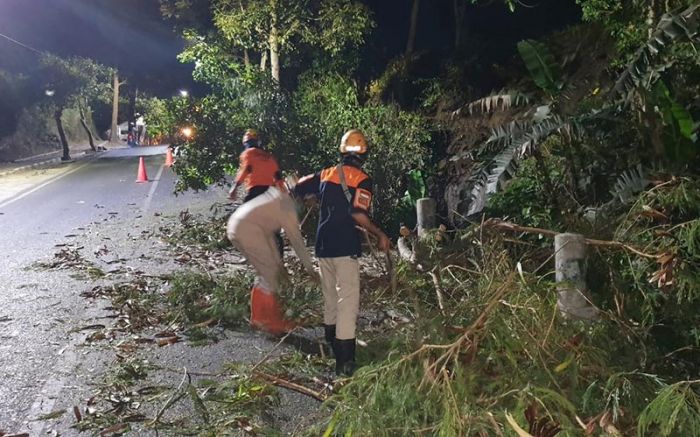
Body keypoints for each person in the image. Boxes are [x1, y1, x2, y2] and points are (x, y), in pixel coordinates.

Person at [293, 129, 390, 376]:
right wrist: (380, 234)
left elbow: (298, 186)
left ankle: (331, 344)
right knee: (347, 301)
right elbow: (358, 213)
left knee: (330, 295)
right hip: (345, 244)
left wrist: (310, 199)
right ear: (364, 154)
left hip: (323, 244)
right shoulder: (362, 179)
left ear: (342, 150)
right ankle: (345, 362)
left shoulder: (326, 173)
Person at [227, 185, 317, 335]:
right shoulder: (287, 205)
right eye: (311, 201)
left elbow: (268, 232)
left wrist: (278, 263)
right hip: (248, 229)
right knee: (271, 276)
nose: (311, 205)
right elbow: (296, 241)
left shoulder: (276, 197)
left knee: (266, 272)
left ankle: (258, 318)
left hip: (236, 227)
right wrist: (310, 270)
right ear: (303, 197)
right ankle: (272, 321)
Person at [228, 129, 283, 202]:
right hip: (270, 192)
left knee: (245, 211)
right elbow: (278, 175)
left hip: (256, 192)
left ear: (246, 143)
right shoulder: (268, 156)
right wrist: (282, 191)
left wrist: (234, 187)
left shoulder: (247, 154)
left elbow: (245, 170)